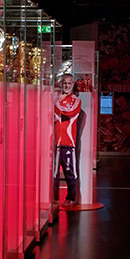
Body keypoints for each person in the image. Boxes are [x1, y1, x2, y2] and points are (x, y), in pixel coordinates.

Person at [54, 73, 82, 207]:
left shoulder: (76, 100)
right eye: (64, 83)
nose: (66, 85)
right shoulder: (56, 98)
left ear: (73, 85)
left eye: (69, 83)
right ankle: (53, 199)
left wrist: (57, 102)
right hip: (55, 144)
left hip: (68, 144)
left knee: (70, 172)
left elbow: (68, 112)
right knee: (53, 175)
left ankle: (71, 198)